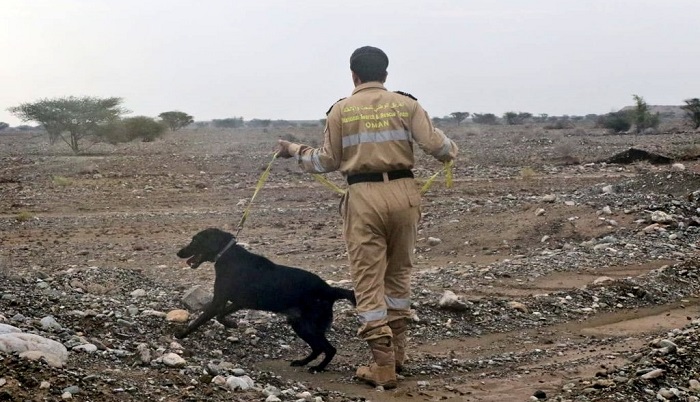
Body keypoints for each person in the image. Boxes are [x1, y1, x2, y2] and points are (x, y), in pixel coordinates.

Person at [277, 46, 458, 388]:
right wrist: (449, 149)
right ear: (386, 75)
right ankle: (398, 356)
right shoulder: (408, 104)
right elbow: (442, 150)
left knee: (367, 280)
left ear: (353, 75)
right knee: (399, 275)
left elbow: (326, 162)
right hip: (405, 194)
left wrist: (294, 151)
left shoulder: (340, 110)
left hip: (362, 197)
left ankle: (384, 367)